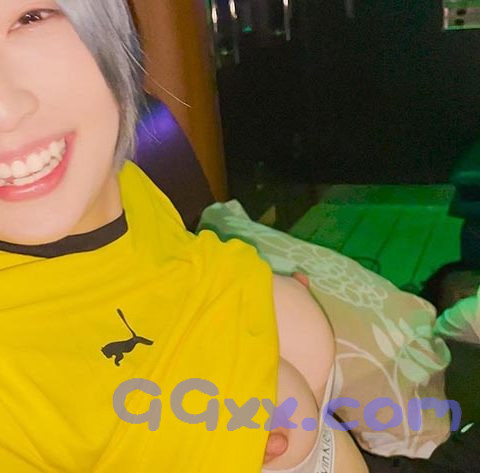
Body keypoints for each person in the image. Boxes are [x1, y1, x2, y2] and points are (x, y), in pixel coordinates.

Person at [0, 1, 367, 471]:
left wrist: (261, 302)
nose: (6, 110)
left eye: (30, 18)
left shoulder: (124, 184)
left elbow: (165, 273)